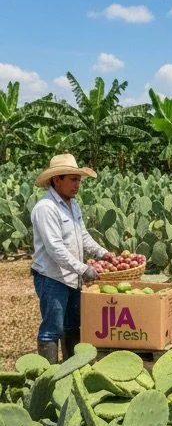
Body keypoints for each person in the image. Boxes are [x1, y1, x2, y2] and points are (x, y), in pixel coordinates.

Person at [30, 153, 115, 363]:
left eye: (79, 180)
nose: (77, 185)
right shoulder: (46, 208)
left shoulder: (72, 204)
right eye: (73, 179)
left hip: (72, 277)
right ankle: (47, 377)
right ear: (57, 179)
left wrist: (101, 252)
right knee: (52, 329)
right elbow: (55, 249)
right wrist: (83, 268)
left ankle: (71, 371)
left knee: (72, 326)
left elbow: (82, 235)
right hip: (52, 278)